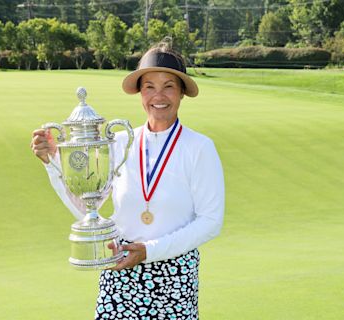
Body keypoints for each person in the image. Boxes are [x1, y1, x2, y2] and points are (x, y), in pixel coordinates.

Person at [31, 41, 225, 319]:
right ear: (140, 93)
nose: (159, 95)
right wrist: (53, 162)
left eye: (169, 86)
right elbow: (89, 208)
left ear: (182, 92)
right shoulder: (119, 141)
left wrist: (148, 251)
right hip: (120, 270)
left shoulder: (199, 147)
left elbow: (210, 221)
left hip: (174, 277)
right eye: (149, 86)